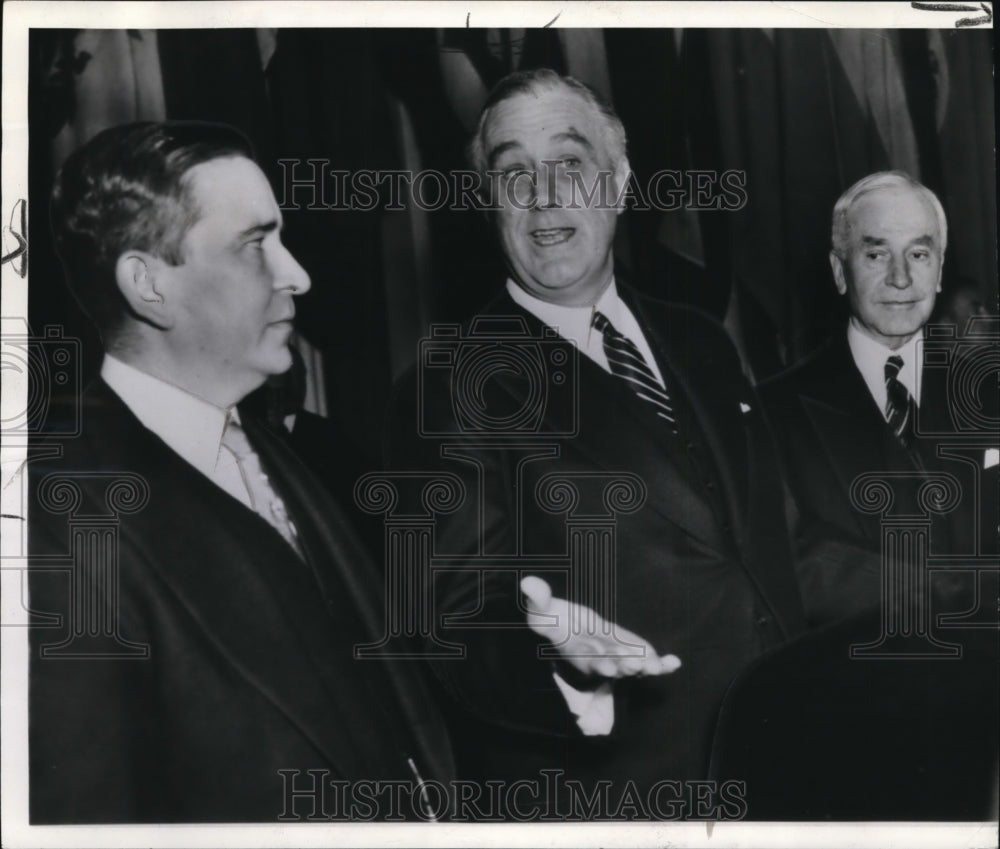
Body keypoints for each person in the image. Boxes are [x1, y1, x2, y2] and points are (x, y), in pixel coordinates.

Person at [385, 69, 804, 815]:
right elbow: (453, 614)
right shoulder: (450, 380)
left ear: (618, 178)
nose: (544, 196)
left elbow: (769, 537)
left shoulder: (700, 338)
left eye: (570, 164)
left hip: (784, 754)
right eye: (513, 172)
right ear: (487, 200)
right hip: (628, 794)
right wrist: (555, 657)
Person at [29, 121, 453, 823]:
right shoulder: (63, 524)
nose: (298, 274)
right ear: (147, 283)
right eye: (256, 245)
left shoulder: (273, 447)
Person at [760, 171, 993, 626]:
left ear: (940, 270)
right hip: (861, 681)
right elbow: (787, 560)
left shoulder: (989, 392)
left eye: (919, 254)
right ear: (839, 271)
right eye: (876, 254)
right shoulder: (774, 411)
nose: (901, 278)